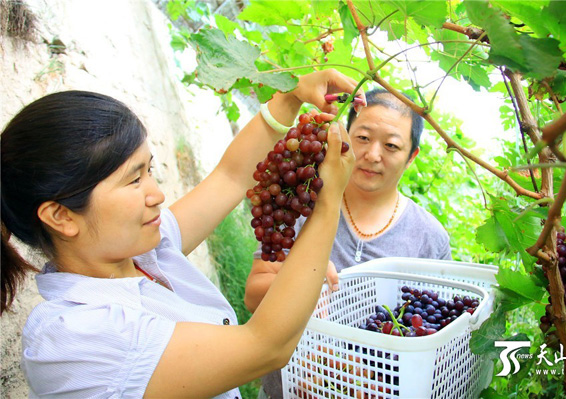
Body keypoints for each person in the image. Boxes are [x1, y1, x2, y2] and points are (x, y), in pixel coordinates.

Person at [0, 69, 362, 399]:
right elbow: (266, 346)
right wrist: (328, 202)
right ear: (61, 216)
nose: (156, 193)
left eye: (150, 170)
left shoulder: (142, 254)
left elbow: (230, 177)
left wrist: (290, 96)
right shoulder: (74, 337)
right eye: (134, 179)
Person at [245, 88, 451, 399]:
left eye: (392, 145)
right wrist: (304, 278)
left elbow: (435, 341)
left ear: (411, 157)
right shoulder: (301, 200)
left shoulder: (429, 239)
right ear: (343, 135)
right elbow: (252, 295)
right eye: (363, 138)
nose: (372, 155)